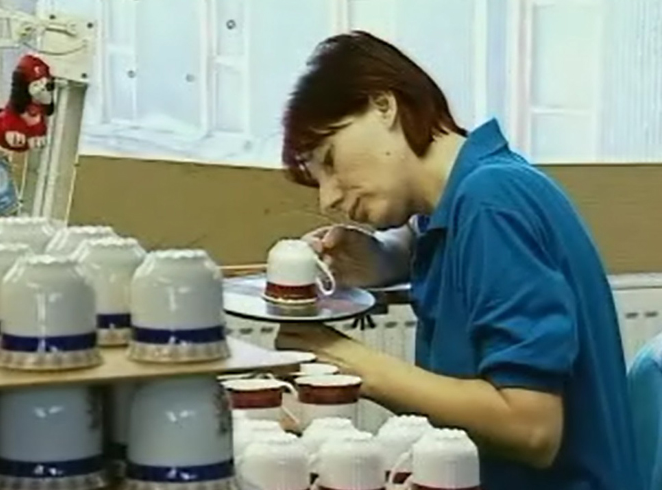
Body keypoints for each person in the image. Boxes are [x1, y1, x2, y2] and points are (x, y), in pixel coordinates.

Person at [274, 31, 642, 490]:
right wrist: (385, 258)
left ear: (383, 105)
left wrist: (354, 364)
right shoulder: (463, 202)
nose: (328, 198)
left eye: (330, 160)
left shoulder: (491, 203)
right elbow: (427, 239)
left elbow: (532, 428)